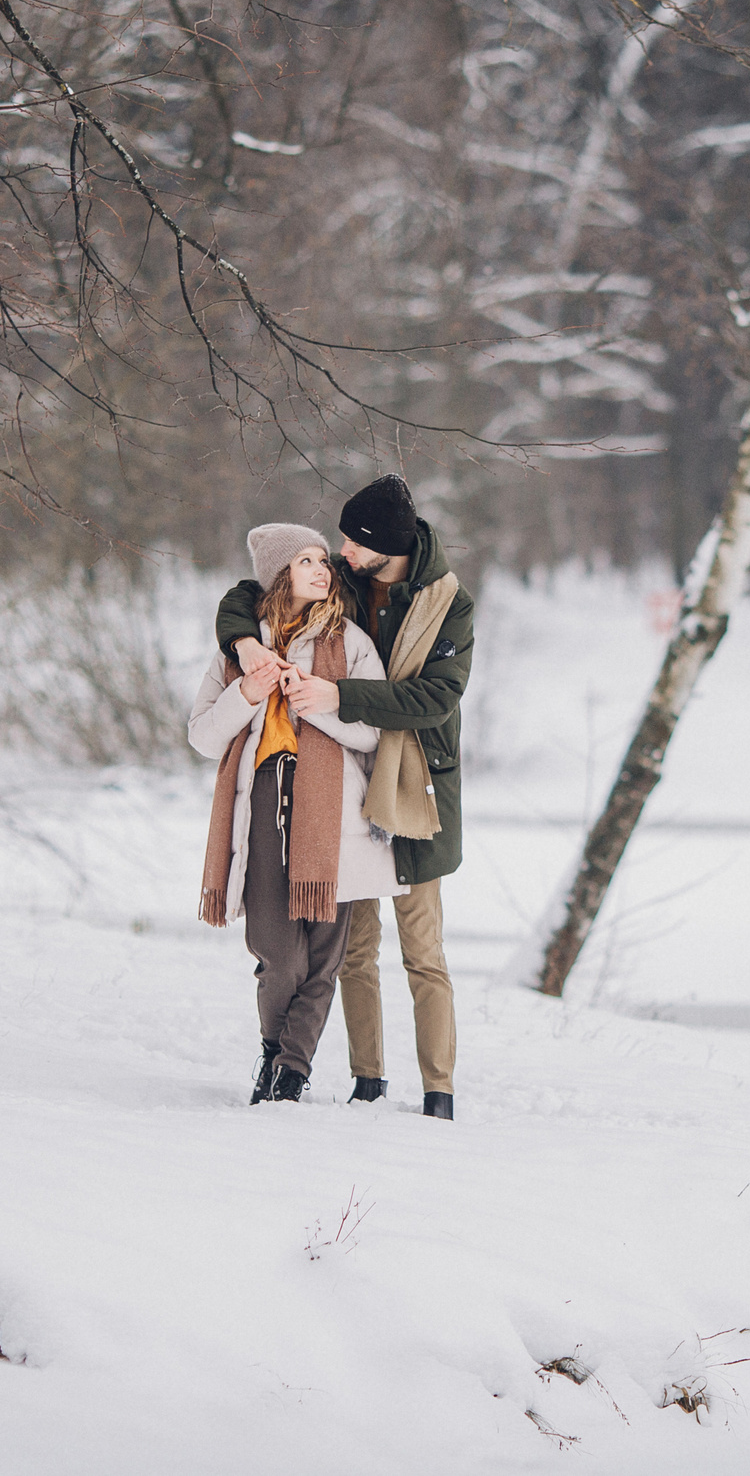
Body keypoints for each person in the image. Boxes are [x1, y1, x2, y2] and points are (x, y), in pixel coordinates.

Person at [217, 474, 473, 1120]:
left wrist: (341, 697)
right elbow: (254, 590)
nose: (339, 553)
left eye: (352, 543)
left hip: (413, 782)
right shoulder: (347, 578)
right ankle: (368, 1080)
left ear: (387, 545)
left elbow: (435, 698)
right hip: (351, 777)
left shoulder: (449, 604)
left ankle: (438, 1091)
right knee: (356, 946)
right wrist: (242, 639)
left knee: (423, 947)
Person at [187, 525, 396, 1104]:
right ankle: (274, 1052)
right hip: (262, 804)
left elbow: (377, 730)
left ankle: (288, 1075)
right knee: (278, 956)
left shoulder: (350, 641)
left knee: (324, 959)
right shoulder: (241, 647)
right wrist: (248, 695)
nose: (322, 570)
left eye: (323, 560)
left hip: (335, 816)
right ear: (280, 573)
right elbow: (203, 737)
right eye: (306, 561)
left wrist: (321, 707)